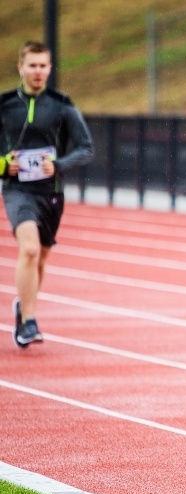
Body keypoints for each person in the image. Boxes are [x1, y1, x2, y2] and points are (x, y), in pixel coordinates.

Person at [0, 41, 94, 349]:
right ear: (21, 67)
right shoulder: (4, 105)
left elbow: (86, 148)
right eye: (32, 65)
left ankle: (23, 306)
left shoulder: (62, 104)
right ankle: (28, 322)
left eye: (43, 66)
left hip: (51, 193)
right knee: (27, 250)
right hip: (18, 191)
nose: (38, 71)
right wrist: (4, 164)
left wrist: (58, 166)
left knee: (39, 258)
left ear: (49, 69)